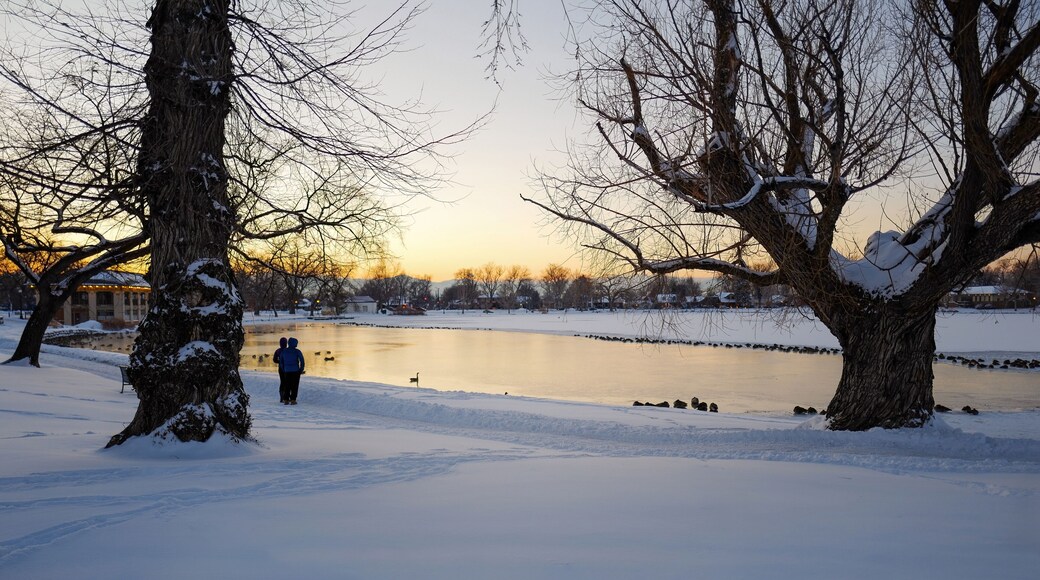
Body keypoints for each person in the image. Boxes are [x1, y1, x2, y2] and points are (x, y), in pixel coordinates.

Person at [280, 337, 306, 405]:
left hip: (287, 371)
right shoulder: (297, 351)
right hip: (295, 371)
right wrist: (301, 369)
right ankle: (293, 400)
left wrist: (283, 369)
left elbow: (281, 361)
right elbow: (302, 360)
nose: (297, 344)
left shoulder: (284, 351)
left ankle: (286, 399)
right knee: (295, 386)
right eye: (296, 343)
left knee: (287, 385)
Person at [273, 337, 288, 404]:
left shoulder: (277, 351)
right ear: (286, 343)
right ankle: (286, 397)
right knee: (287, 382)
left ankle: (282, 397)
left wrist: (279, 361)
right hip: (288, 369)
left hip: (281, 369)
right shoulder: (288, 350)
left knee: (282, 382)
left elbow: (274, 360)